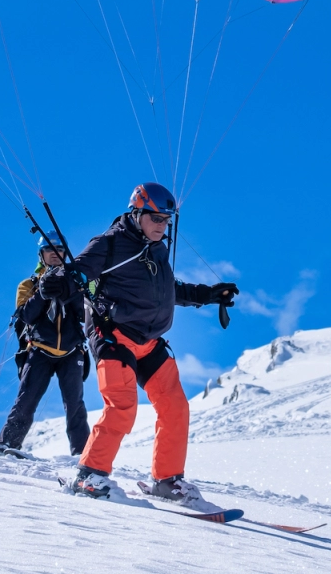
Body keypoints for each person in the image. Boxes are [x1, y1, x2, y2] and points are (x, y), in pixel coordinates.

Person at [64, 182, 238, 502]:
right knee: (123, 405)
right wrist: (60, 281)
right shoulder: (110, 243)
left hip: (150, 341)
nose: (162, 225)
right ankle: (89, 475)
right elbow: (77, 271)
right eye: (156, 218)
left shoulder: (156, 249)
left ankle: (166, 480)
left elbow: (172, 290)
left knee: (175, 407)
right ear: (137, 213)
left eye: (167, 220)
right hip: (113, 334)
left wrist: (210, 295)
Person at [0, 240, 91, 456]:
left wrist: (71, 287)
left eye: (60, 249)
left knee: (75, 406)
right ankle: (7, 446)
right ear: (41, 254)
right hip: (38, 349)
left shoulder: (76, 282)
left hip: (72, 351)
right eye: (50, 249)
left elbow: (85, 313)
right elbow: (26, 316)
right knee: (26, 400)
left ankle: (84, 456)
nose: (55, 253)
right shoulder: (27, 285)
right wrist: (42, 291)